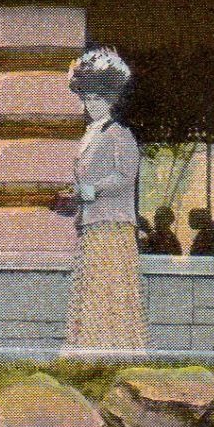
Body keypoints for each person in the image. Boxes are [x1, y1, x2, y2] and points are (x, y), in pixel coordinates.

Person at [65, 46, 147, 350]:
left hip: (113, 222)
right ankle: (89, 346)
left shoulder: (119, 134)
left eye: (97, 99)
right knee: (92, 288)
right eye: (87, 99)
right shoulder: (90, 133)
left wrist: (94, 189)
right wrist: (75, 194)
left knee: (109, 286)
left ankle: (114, 346)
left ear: (111, 100)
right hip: (90, 221)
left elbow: (126, 175)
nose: (91, 105)